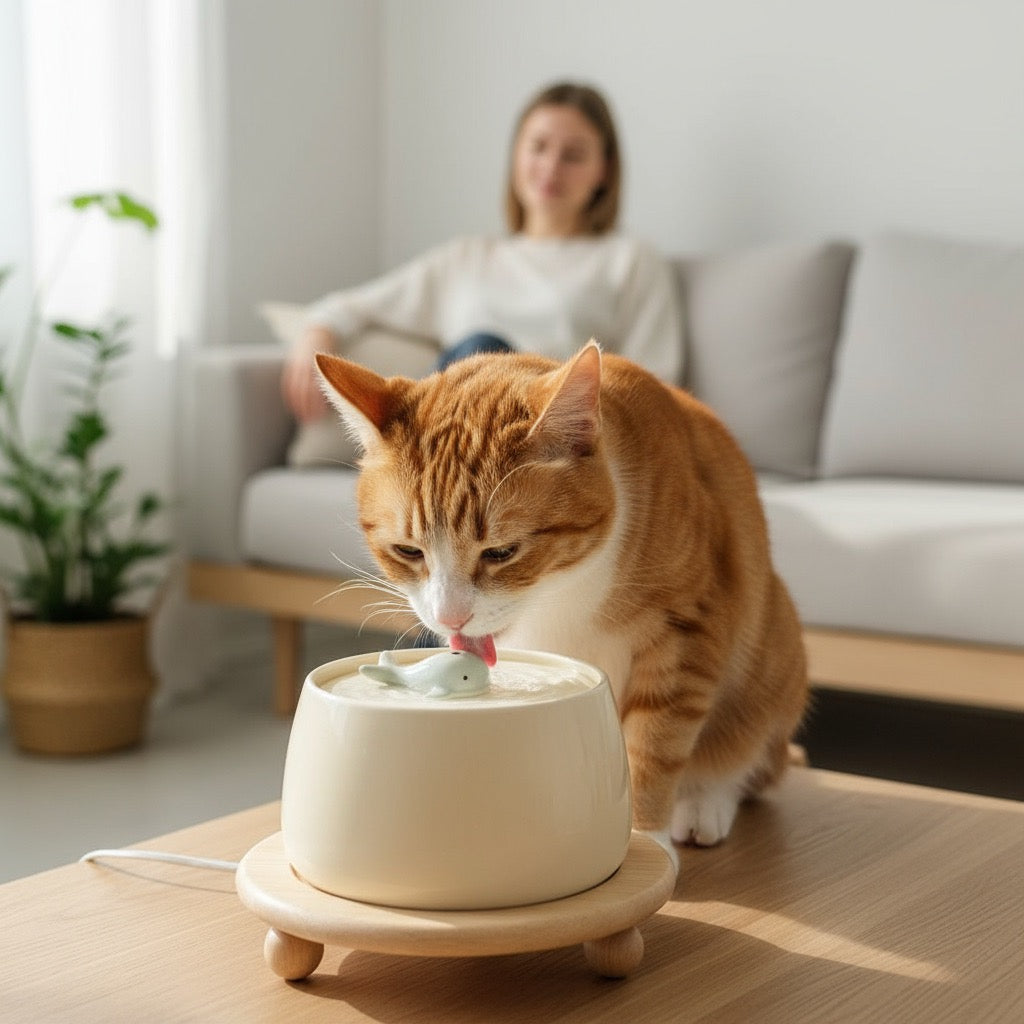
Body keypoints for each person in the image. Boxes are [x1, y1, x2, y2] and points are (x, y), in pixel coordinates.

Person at [282, 80, 683, 424]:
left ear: (605, 170)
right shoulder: (467, 260)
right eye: (538, 147)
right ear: (516, 154)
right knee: (478, 350)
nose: (551, 167)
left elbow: (654, 387)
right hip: (454, 428)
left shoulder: (628, 259)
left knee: (490, 356)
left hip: (545, 435)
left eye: (573, 155)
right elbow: (349, 308)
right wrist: (315, 334)